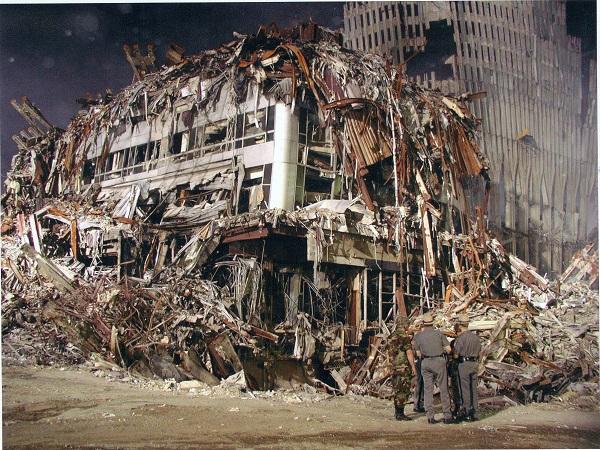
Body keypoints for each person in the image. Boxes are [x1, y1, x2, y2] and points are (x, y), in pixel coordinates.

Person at [413, 313, 454, 424]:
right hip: (439, 361)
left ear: (423, 324)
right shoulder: (439, 334)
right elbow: (449, 349)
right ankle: (447, 415)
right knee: (443, 388)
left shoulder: (418, 336)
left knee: (427, 390)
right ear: (433, 323)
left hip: (425, 362)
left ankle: (430, 416)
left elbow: (418, 353)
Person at [453, 314, 481, 421]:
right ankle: (475, 412)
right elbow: (480, 351)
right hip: (474, 363)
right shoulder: (476, 338)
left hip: (464, 364)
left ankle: (467, 411)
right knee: (473, 388)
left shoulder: (461, 338)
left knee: (465, 388)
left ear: (460, 325)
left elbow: (456, 354)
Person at [388, 316, 416, 421]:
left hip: (394, 366)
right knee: (404, 390)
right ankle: (400, 413)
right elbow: (409, 352)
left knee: (397, 389)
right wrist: (413, 366)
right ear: (405, 325)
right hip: (403, 367)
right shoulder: (404, 337)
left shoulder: (391, 336)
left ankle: (397, 412)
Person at [448, 323, 463, 419]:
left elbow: (454, 356)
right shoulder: (471, 339)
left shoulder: (455, 342)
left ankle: (458, 408)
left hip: (457, 366)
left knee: (456, 388)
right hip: (466, 365)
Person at [410, 321, 425, 413]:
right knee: (419, 383)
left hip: (422, 361)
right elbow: (413, 351)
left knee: (422, 383)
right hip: (419, 361)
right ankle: (417, 404)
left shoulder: (418, 337)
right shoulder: (417, 338)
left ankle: (420, 403)